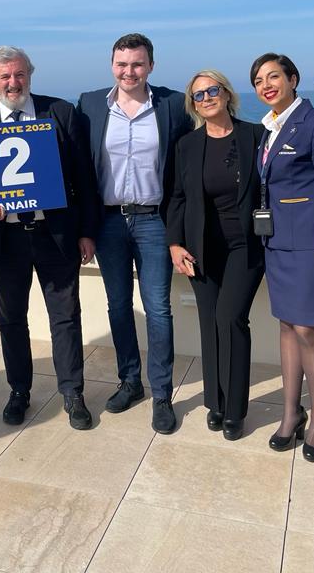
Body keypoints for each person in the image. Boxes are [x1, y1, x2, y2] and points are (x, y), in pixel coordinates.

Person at [0, 46, 99, 430]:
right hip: (3, 238)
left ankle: (72, 393)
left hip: (56, 236)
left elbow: (84, 178)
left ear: (29, 76)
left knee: (65, 317)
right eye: (5, 76)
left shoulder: (61, 112)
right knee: (11, 319)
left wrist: (87, 232)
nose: (13, 83)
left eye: (19, 74)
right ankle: (19, 391)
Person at [76, 33, 193, 433]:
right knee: (119, 306)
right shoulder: (91, 104)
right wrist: (84, 229)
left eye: (138, 64)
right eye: (122, 64)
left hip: (155, 222)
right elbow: (80, 169)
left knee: (158, 308)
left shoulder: (173, 104)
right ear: (112, 65)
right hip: (108, 222)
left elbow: (189, 161)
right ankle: (130, 382)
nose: (129, 72)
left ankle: (161, 394)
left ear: (151, 66)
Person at [167, 70, 265, 441]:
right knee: (209, 322)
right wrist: (175, 243)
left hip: (245, 246)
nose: (206, 98)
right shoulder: (187, 145)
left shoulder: (255, 135)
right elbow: (177, 198)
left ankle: (236, 410)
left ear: (226, 94)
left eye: (212, 90)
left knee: (230, 319)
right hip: (202, 249)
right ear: (193, 105)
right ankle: (216, 403)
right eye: (198, 95)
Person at [250, 53, 314, 460]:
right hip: (276, 242)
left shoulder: (312, 122)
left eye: (274, 77)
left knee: (307, 329)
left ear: (293, 79)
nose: (266, 85)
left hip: (309, 241)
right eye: (259, 81)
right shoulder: (270, 127)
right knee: (287, 325)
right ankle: (291, 412)